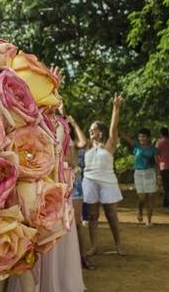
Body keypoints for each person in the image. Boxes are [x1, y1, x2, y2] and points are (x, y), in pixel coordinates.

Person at [78, 94, 125, 257]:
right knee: (92, 215)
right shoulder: (87, 144)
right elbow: (77, 134)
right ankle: (93, 246)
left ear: (101, 131)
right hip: (89, 181)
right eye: (90, 129)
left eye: (94, 128)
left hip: (108, 182)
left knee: (111, 214)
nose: (91, 130)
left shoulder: (110, 144)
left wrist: (116, 107)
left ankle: (119, 245)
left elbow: (114, 126)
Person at [67, 115, 95, 269]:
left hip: (75, 185)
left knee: (77, 224)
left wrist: (73, 122)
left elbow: (84, 142)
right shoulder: (53, 140)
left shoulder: (74, 143)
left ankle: (82, 256)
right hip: (59, 184)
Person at [119, 128, 157, 226]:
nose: (141, 138)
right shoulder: (137, 146)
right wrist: (117, 128)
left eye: (143, 136)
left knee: (151, 196)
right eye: (140, 136)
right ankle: (140, 210)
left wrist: (159, 176)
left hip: (150, 172)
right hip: (139, 173)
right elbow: (126, 138)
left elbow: (157, 163)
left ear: (148, 138)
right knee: (142, 198)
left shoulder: (153, 149)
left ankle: (149, 220)